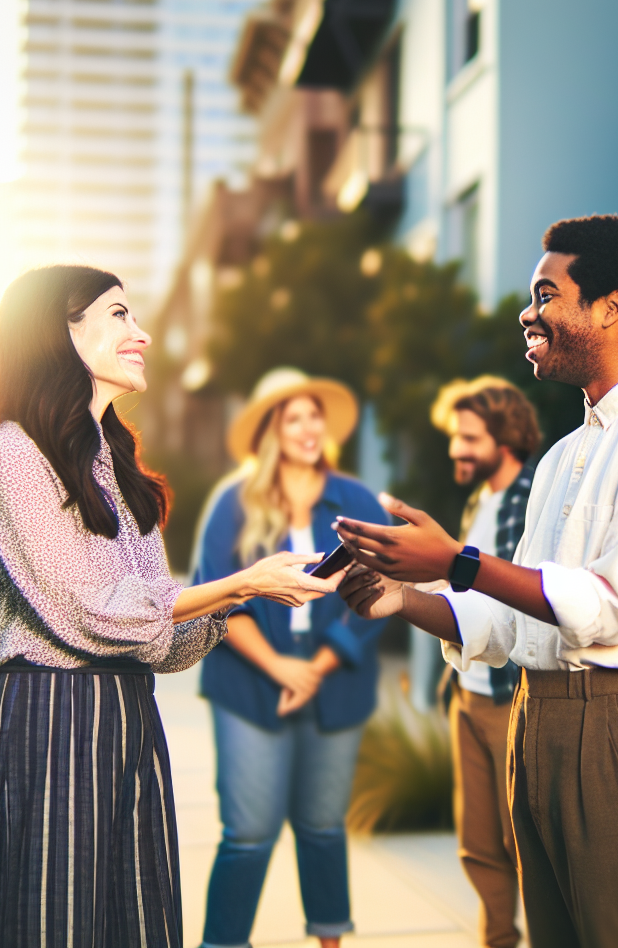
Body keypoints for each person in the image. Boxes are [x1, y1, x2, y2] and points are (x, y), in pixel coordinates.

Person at [334, 215, 618, 948]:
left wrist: (457, 561)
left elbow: (607, 609)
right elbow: (512, 627)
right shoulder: (560, 459)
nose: (529, 312)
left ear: (611, 309)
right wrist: (402, 597)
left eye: (547, 294)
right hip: (535, 718)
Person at [0, 265, 339, 948]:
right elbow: (93, 610)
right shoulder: (8, 455)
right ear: (59, 330)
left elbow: (155, 640)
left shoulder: (116, 464)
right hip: (45, 724)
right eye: (120, 315)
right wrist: (239, 584)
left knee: (131, 921)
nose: (141, 334)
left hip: (125, 720)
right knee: (48, 924)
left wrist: (243, 597)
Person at [194, 367, 391, 948]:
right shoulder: (232, 503)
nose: (308, 428)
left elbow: (377, 591)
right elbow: (216, 594)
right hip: (250, 679)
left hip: (334, 676)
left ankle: (329, 938)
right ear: (270, 431)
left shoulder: (354, 500)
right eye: (293, 417)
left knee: (323, 826)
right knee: (249, 832)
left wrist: (320, 666)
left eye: (314, 416)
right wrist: (282, 668)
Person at [428, 376, 540, 948]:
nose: (456, 449)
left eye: (468, 438)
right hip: (466, 693)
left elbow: (523, 598)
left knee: (521, 841)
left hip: (507, 695)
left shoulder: (529, 495)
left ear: (506, 436)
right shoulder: (480, 498)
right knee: (477, 842)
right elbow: (461, 592)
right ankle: (497, 939)